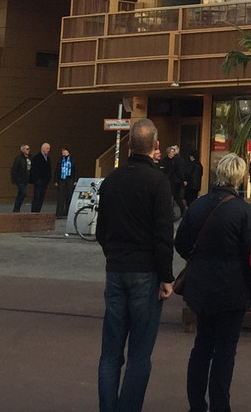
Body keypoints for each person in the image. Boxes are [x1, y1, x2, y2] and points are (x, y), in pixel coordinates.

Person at [95, 118, 175, 412]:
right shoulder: (157, 182)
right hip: (146, 271)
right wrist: (166, 276)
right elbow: (163, 234)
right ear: (155, 146)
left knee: (111, 352)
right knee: (140, 353)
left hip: (116, 270)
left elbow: (101, 230)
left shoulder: (111, 180)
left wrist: (113, 255)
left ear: (129, 144)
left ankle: (108, 406)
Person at [174, 152, 251, 412]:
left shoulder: (198, 205)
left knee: (202, 346)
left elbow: (181, 243)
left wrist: (197, 258)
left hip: (200, 287)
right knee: (225, 350)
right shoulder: (241, 210)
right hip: (232, 290)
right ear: (240, 176)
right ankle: (220, 405)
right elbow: (250, 254)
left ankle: (196, 404)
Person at [161, 144, 187, 218]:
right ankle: (175, 212)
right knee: (174, 196)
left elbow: (178, 170)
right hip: (169, 181)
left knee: (175, 196)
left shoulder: (174, 160)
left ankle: (176, 212)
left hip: (175, 181)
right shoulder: (165, 161)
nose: (173, 153)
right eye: (172, 152)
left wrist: (182, 179)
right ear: (168, 153)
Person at [30, 141, 52, 213]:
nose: (48, 150)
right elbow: (34, 169)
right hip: (39, 180)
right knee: (37, 195)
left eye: (49, 148)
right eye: (47, 148)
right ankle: (34, 210)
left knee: (42, 196)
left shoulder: (47, 158)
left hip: (45, 181)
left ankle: (38, 210)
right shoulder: (37, 157)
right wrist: (37, 179)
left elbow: (49, 169)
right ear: (43, 149)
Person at [56, 146, 76, 220]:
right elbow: (57, 170)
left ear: (67, 151)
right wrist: (56, 180)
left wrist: (75, 180)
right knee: (61, 196)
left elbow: (75, 170)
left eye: (64, 150)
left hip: (70, 178)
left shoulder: (72, 159)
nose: (62, 152)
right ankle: (59, 213)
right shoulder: (60, 159)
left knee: (69, 195)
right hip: (62, 178)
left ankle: (68, 212)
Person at [11, 143, 31, 212]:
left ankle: (16, 208)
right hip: (20, 179)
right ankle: (16, 208)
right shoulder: (18, 159)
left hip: (26, 179)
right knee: (23, 193)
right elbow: (14, 169)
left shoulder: (30, 158)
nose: (29, 150)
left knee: (20, 193)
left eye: (29, 149)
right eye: (27, 149)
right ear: (23, 150)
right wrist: (14, 179)